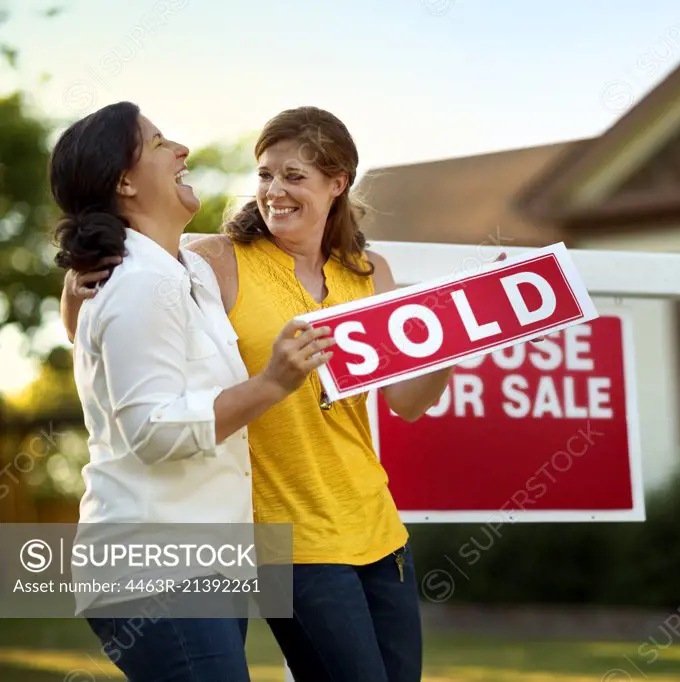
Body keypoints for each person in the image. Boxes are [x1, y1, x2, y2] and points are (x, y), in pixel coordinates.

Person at [61, 106, 476, 682]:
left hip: (373, 525)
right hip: (276, 538)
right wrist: (78, 283)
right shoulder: (214, 262)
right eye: (264, 175)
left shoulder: (365, 270)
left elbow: (405, 401)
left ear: (338, 184)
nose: (274, 190)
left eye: (294, 176)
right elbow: (112, 340)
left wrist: (462, 337)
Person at [50, 101, 336, 682]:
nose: (181, 149)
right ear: (124, 181)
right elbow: (153, 432)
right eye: (158, 143)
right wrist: (272, 384)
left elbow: (92, 332)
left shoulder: (187, 272)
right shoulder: (137, 283)